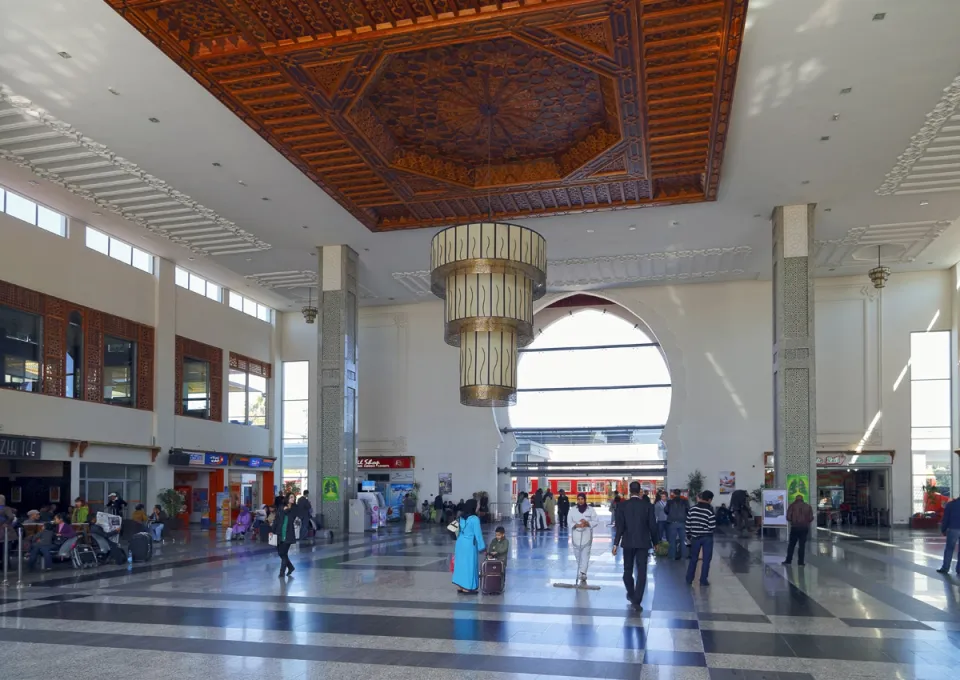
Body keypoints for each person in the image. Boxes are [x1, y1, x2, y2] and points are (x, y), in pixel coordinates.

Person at [612, 481, 657, 609]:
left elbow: (619, 527)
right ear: (640, 491)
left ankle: (631, 593)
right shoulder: (647, 506)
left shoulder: (622, 506)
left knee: (627, 570)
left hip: (628, 542)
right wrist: (656, 542)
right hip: (643, 542)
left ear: (629, 490)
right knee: (642, 571)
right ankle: (637, 599)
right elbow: (652, 526)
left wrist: (616, 544)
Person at [452, 498, 486, 594]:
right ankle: (467, 587)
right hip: (469, 544)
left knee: (460, 564)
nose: (478, 506)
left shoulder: (461, 517)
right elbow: (478, 535)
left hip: (460, 543)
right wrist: (482, 547)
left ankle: (459, 586)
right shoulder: (474, 519)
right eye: (477, 505)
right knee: (469, 565)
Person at [685, 491, 717, 586]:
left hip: (695, 537)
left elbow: (688, 524)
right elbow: (712, 526)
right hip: (707, 537)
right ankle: (703, 580)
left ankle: (689, 579)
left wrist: (689, 535)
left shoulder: (692, 509)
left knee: (693, 558)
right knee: (706, 559)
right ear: (709, 500)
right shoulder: (709, 511)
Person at [569, 492, 600, 585]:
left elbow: (596, 521)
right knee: (578, 555)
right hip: (576, 535)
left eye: (582, 499)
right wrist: (577, 525)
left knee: (585, 555)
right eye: (578, 499)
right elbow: (569, 521)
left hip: (586, 535)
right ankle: (581, 568)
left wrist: (587, 523)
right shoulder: (572, 510)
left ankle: (583, 572)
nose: (580, 501)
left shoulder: (590, 510)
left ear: (585, 499)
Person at [782, 494, 814, 566]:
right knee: (802, 546)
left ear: (796, 499)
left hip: (795, 528)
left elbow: (788, 517)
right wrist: (806, 522)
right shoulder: (808, 506)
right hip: (804, 528)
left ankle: (788, 561)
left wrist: (793, 521)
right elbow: (811, 518)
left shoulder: (792, 506)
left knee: (791, 545)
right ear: (802, 499)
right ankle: (801, 562)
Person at [270, 495, 297, 577]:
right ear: (287, 498)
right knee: (280, 553)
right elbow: (276, 520)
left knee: (283, 553)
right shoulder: (281, 507)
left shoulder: (294, 509)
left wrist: (287, 510)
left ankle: (282, 573)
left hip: (288, 534)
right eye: (291, 497)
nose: (293, 499)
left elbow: (292, 518)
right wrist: (272, 530)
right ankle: (291, 567)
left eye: (294, 498)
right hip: (279, 533)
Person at [937, 494, 960, 575]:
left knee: (949, 549)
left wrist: (943, 529)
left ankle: (945, 568)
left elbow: (945, 518)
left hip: (953, 529)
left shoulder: (950, 505)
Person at [665, 490, 689, 560]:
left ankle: (672, 556)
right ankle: (683, 556)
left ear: (673, 494)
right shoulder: (685, 501)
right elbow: (688, 510)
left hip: (672, 523)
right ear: (680, 494)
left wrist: (670, 515)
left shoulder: (670, 502)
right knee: (683, 540)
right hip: (682, 522)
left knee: (672, 540)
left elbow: (666, 510)